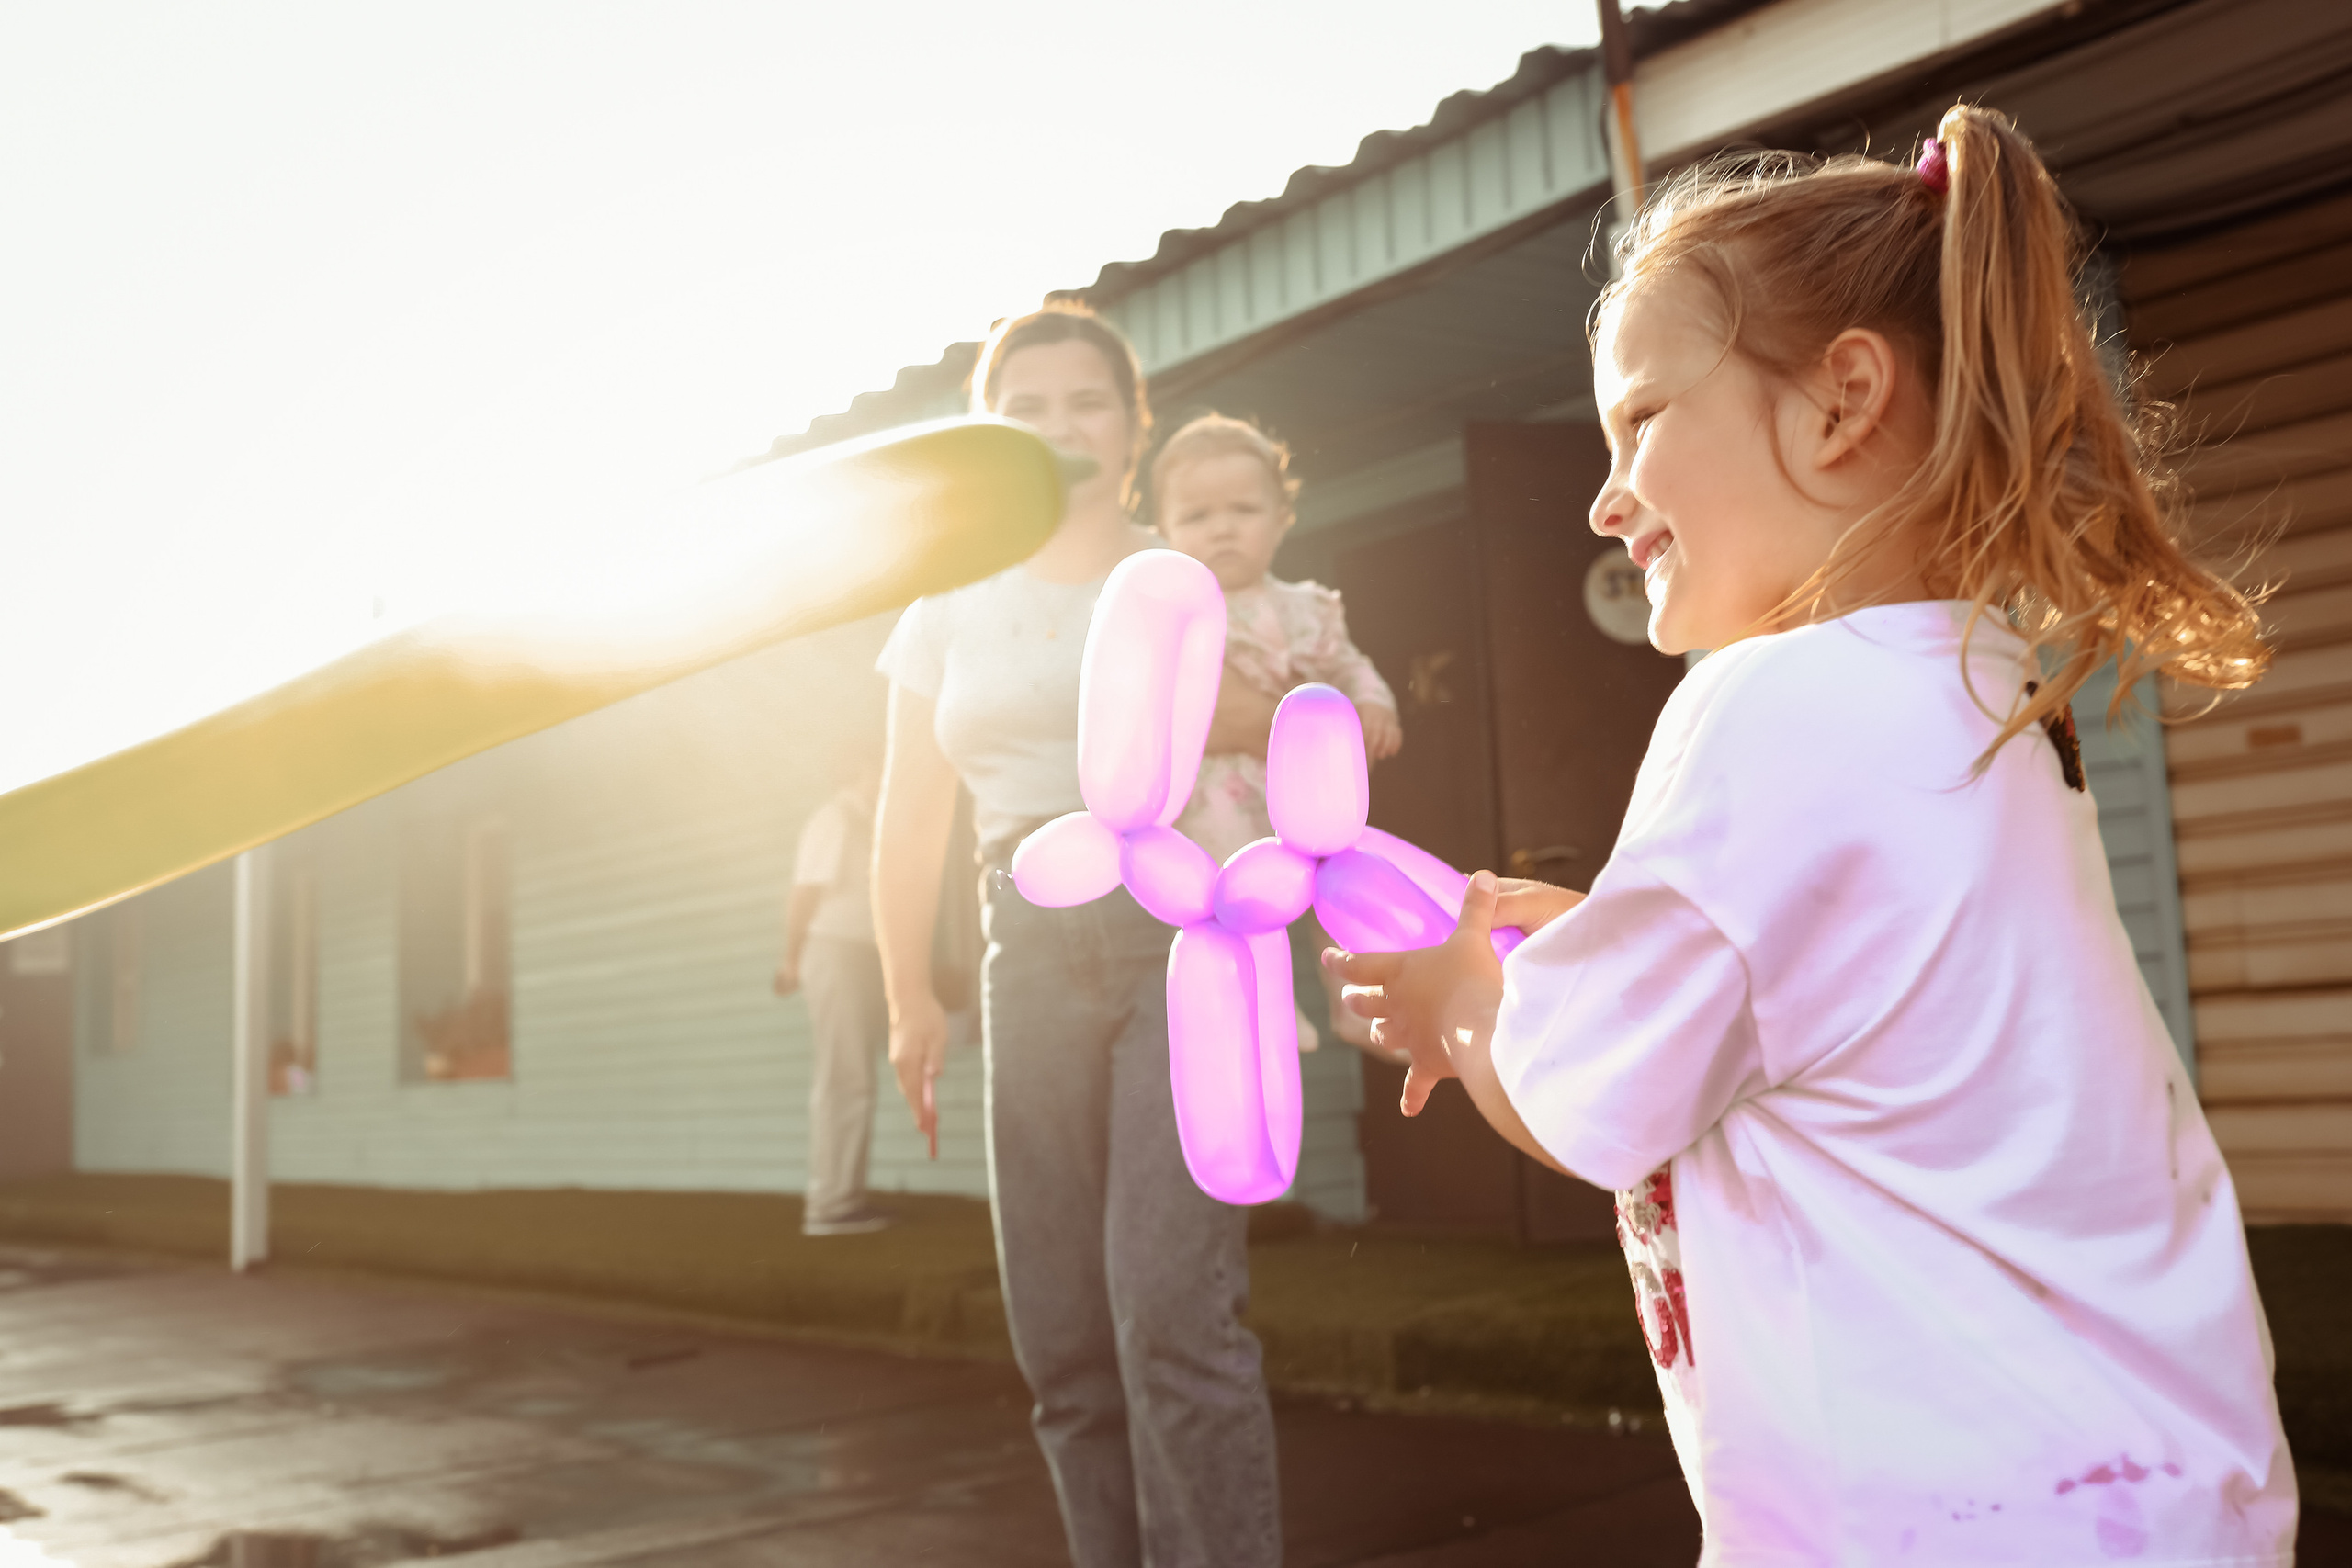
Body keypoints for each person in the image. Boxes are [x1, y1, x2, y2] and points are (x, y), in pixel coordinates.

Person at [1329, 106, 2296, 1563]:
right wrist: (1608, 937)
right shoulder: (1981, 683)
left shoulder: (1769, 702)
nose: (1603, 497)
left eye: (1642, 419)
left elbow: (1601, 1099)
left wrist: (1469, 1003)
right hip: (2153, 1494)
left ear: (1842, 398)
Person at [870, 305, 1282, 1567]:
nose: (1061, 427)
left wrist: (1189, 687)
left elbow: (1283, 713)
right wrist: (909, 996)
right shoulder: (942, 601)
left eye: (1087, 402)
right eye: (1027, 407)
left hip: (1179, 928)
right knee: (1061, 1335)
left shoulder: (1179, 571)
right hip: (1023, 943)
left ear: (1132, 425)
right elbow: (909, 812)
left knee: (1171, 1312)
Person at [1150, 412, 1403, 1055]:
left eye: (1243, 508)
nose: (1223, 527)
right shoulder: (1175, 617)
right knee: (1241, 901)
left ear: (1282, 516)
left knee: (1336, 890)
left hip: (1299, 789)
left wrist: (1373, 702)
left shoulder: (1306, 607)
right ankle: (1272, 1009)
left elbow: (1349, 664)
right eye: (1198, 516)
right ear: (1166, 531)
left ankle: (1356, 1004)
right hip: (1218, 797)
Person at [775, 742, 891, 1236]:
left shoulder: (868, 821)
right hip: (834, 951)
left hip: (860, 955)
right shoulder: (835, 819)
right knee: (844, 1075)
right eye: (882, 762)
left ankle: (844, 1194)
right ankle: (830, 1204)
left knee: (856, 1074)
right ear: (862, 768)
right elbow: (805, 892)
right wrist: (791, 959)